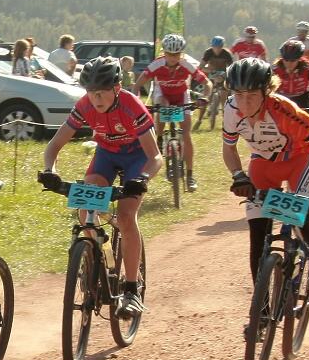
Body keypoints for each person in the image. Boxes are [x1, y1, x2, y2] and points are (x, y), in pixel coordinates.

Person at [38, 56, 162, 317]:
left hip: (137, 158)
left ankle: (131, 289)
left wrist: (142, 179)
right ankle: (95, 257)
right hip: (107, 155)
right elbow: (54, 145)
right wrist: (50, 170)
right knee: (86, 208)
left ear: (116, 88)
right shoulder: (85, 105)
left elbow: (155, 157)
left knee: (126, 216)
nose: (96, 98)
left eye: (102, 92)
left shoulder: (131, 105)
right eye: (91, 92)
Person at [221, 57, 309, 299]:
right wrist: (238, 176)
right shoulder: (231, 109)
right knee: (258, 233)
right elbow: (229, 147)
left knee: (306, 216)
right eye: (238, 95)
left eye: (251, 95)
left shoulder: (285, 112)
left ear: (267, 91)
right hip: (263, 163)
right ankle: (261, 309)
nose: (244, 103)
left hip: (298, 160)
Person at [132, 33, 212, 191]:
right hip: (163, 94)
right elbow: (137, 84)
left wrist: (205, 97)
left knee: (186, 134)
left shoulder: (186, 64)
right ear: (164, 52)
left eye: (176, 54)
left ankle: (190, 175)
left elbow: (207, 83)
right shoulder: (157, 64)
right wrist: (137, 101)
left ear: (181, 53)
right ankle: (160, 138)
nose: (173, 58)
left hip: (181, 95)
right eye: (169, 54)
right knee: (162, 106)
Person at [273, 40, 309, 111]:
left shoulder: (308, 67)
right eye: (286, 60)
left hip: (301, 99)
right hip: (281, 98)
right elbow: (266, 88)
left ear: (299, 59)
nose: (289, 63)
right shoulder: (275, 69)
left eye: (293, 61)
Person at [197, 36, 235, 130]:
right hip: (211, 75)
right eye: (215, 47)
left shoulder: (227, 54)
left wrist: (223, 76)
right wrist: (209, 70)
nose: (217, 49)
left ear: (222, 47)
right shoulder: (208, 52)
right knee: (206, 98)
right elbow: (200, 67)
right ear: (212, 46)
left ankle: (225, 122)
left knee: (224, 98)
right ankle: (199, 120)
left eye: (219, 47)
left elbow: (231, 69)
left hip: (223, 76)